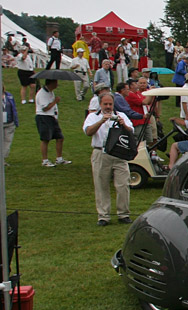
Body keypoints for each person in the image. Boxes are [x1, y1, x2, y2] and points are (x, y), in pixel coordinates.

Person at [83, 93, 133, 226]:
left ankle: (123, 214)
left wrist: (123, 125)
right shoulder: (93, 117)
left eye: (110, 104)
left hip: (119, 154)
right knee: (101, 185)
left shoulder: (121, 115)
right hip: (100, 153)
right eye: (105, 104)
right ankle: (104, 216)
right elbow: (88, 132)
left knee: (123, 185)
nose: (108, 107)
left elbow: (131, 131)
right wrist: (101, 121)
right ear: (100, 104)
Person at [35, 79, 71, 167]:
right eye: (55, 83)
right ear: (51, 83)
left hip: (52, 117)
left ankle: (59, 159)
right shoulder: (42, 93)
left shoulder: (50, 92)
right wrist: (55, 101)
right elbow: (45, 108)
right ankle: (45, 160)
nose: (57, 84)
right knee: (45, 139)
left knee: (60, 138)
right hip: (44, 117)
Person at [2, 89, 18, 162]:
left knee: (7, 141)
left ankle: (2, 159)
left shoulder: (9, 96)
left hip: (9, 123)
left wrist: (15, 120)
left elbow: (14, 108)